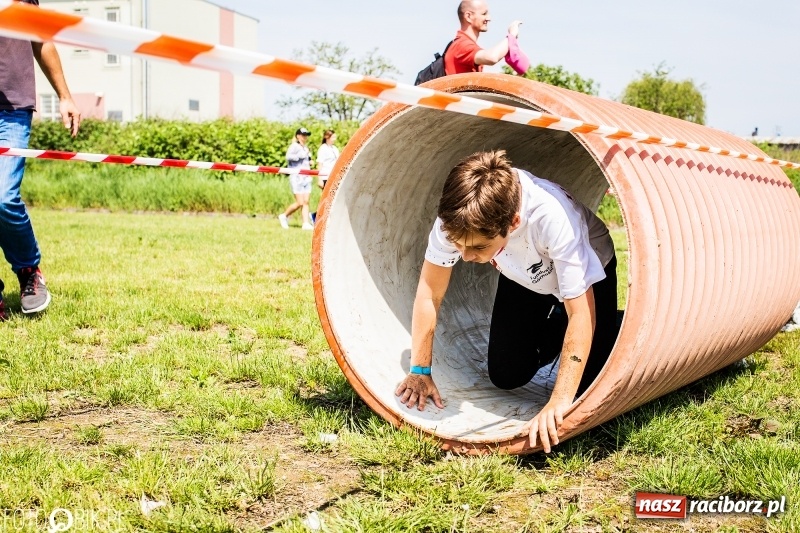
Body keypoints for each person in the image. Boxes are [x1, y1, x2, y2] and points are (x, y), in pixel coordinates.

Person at [394, 150, 618, 453]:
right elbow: (429, 293)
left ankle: (615, 323)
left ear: (513, 223)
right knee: (506, 374)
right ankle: (557, 328)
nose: (465, 256)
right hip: (525, 274)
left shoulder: (552, 218)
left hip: (591, 273)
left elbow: (580, 314)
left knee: (585, 392)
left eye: (478, 247)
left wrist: (560, 400)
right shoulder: (458, 217)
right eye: (457, 245)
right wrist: (420, 371)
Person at [0, 0, 81, 321]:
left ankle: (28, 271)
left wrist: (65, 95)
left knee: (3, 197)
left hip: (12, 108)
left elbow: (42, 39)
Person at [444, 0, 523, 75]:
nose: (489, 18)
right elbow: (492, 57)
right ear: (468, 16)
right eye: (484, 14)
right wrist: (512, 35)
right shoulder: (462, 45)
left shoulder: (461, 44)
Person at [278, 127, 313, 230]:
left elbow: (306, 160)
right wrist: (301, 155)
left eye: (306, 135)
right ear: (298, 136)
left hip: (306, 177)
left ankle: (305, 223)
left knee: (306, 201)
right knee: (300, 202)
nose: (305, 137)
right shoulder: (294, 146)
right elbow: (288, 157)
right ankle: (284, 216)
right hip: (296, 177)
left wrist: (310, 162)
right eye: (303, 135)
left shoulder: (306, 148)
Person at [311, 129, 340, 224]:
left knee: (331, 199)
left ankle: (321, 216)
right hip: (325, 177)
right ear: (327, 137)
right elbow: (320, 164)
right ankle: (316, 216)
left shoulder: (334, 148)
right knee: (326, 198)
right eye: (333, 137)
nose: (335, 139)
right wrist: (319, 178)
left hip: (332, 177)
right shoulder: (323, 148)